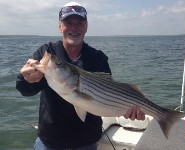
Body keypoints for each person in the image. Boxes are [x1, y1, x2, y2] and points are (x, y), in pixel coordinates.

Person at [16, 2, 145, 150]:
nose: (74, 28)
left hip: (87, 141)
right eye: (68, 23)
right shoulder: (47, 52)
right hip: (51, 140)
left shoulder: (98, 58)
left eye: (79, 23)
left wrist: (130, 110)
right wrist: (25, 79)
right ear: (60, 27)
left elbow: (111, 93)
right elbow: (25, 90)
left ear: (86, 27)